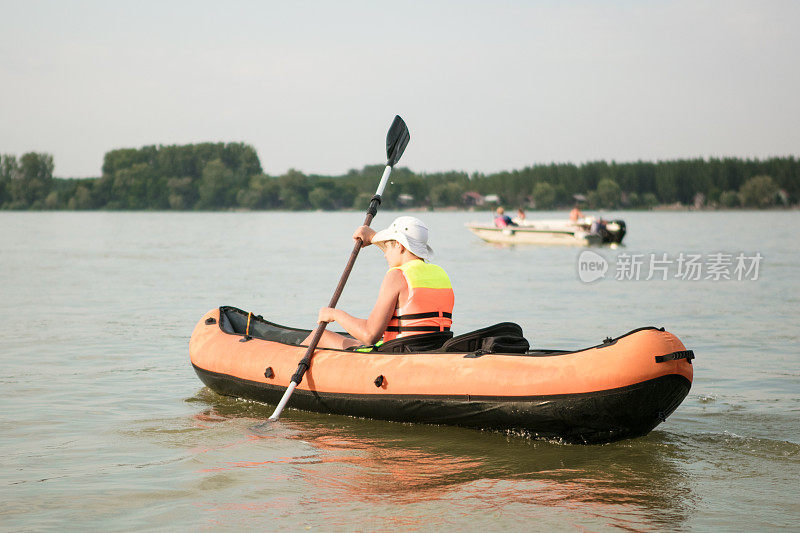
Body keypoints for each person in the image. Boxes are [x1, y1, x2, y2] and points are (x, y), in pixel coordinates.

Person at [304, 216, 454, 351]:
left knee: (320, 335)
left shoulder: (397, 275)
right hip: (431, 350)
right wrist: (374, 238)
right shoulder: (441, 274)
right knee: (353, 341)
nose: (384, 253)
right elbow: (398, 251)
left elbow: (370, 335)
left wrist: (334, 314)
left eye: (387, 246)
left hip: (397, 355)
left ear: (400, 245)